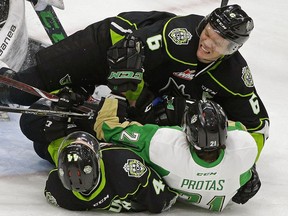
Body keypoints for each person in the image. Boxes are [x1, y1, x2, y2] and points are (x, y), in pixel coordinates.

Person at [0, 4, 269, 159]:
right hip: (106, 44)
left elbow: (258, 128)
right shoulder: (180, 36)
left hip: (142, 81)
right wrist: (140, 102)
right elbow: (127, 54)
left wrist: (246, 164)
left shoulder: (234, 76)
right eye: (208, 33)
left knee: (40, 130)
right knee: (17, 92)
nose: (207, 43)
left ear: (232, 49)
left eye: (219, 42)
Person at [94, 96, 261, 212]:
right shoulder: (245, 148)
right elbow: (239, 128)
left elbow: (107, 128)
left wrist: (114, 95)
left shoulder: (163, 145)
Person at [19, 97, 178, 213]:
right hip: (120, 136)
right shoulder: (124, 165)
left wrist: (59, 118)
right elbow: (164, 199)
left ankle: (67, 113)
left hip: (60, 143)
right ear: (97, 159)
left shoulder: (57, 189)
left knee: (35, 133)